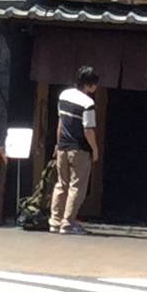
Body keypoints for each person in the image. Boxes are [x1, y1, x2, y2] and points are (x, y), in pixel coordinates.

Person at [49, 65, 101, 236]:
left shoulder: (64, 95)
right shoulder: (88, 103)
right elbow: (88, 129)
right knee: (77, 187)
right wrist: (95, 149)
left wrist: (58, 145)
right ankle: (68, 222)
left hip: (63, 146)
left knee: (61, 184)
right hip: (79, 149)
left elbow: (61, 123)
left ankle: (55, 221)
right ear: (90, 84)